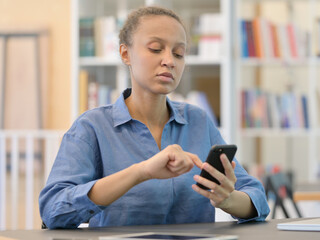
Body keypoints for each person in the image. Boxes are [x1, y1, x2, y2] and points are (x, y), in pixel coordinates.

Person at [39, 6, 270, 229]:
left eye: (179, 53)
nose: (170, 60)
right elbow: (53, 210)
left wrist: (228, 200)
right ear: (125, 54)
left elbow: (257, 198)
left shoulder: (198, 121)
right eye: (156, 48)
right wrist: (141, 172)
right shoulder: (91, 127)